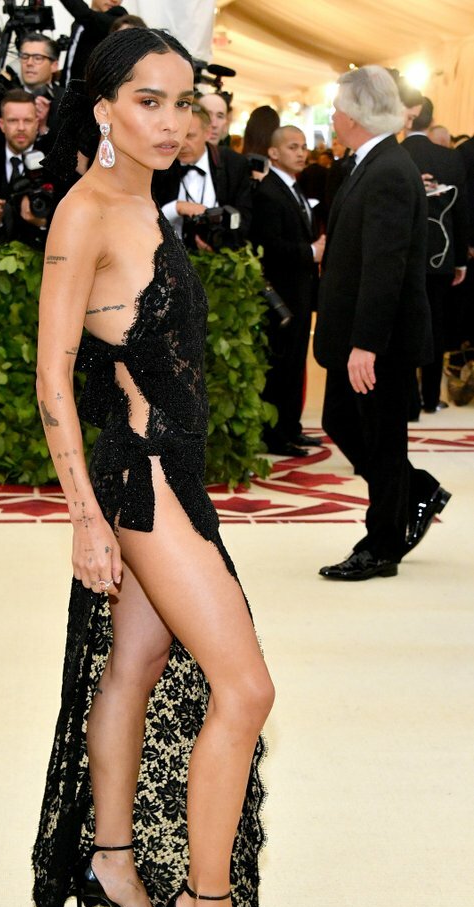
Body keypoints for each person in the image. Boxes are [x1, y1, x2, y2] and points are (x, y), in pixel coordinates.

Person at [30, 28, 278, 907]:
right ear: (103, 110)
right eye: (148, 101)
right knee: (245, 689)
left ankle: (114, 857)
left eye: (183, 103)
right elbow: (52, 376)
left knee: (134, 666)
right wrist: (85, 518)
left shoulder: (145, 199)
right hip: (143, 481)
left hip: (174, 470)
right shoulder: (87, 211)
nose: (172, 122)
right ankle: (205, 906)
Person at [314, 66, 450, 581]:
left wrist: (366, 343)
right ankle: (416, 492)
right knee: (343, 422)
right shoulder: (370, 163)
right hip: (358, 332)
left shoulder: (388, 169)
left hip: (379, 339)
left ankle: (382, 545)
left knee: (382, 440)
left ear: (354, 115)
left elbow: (385, 266)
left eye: (336, 108)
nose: (332, 116)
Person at [251, 125, 325, 457]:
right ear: (274, 152)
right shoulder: (268, 191)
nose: (302, 153)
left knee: (295, 365)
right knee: (280, 366)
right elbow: (269, 246)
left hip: (300, 291)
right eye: (293, 147)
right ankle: (276, 435)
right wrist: (311, 251)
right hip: (281, 295)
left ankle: (291, 428)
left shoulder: (293, 187)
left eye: (304, 147)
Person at [403, 96, 468, 414]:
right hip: (441, 253)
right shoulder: (449, 157)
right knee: (435, 325)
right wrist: (460, 259)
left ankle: (407, 401)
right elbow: (461, 211)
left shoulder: (395, 154)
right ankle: (431, 397)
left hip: (403, 255)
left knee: (403, 325)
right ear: (430, 120)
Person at [153, 103, 252, 248]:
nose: (182, 144)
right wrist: (175, 208)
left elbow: (244, 218)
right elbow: (144, 221)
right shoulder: (158, 165)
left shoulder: (233, 164)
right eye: (176, 136)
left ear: (208, 133)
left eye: (189, 136)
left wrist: (220, 246)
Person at [0, 90, 50, 246]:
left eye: (27, 121)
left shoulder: (53, 164)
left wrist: (42, 223)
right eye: (13, 121)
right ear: (2, 125)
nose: (21, 127)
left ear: (37, 123)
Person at [57, 0, 127, 88]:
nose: (115, 1)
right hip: (67, 89)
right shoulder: (80, 23)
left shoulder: (116, 20)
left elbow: (84, 14)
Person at [13, 33, 64, 148]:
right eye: (25, 57)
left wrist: (42, 128)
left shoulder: (69, 103)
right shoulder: (8, 98)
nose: (29, 63)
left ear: (54, 65)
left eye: (37, 58)